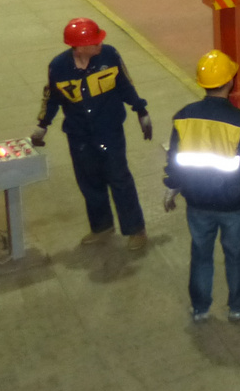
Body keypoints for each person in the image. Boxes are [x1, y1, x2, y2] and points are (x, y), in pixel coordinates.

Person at [163, 49, 240, 324]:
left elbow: (176, 158)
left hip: (197, 202)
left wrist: (172, 186)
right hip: (233, 205)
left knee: (201, 255)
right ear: (230, 82)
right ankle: (239, 307)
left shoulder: (183, 116)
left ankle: (200, 308)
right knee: (236, 256)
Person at [31, 17, 152, 250]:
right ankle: (101, 226)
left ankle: (136, 229)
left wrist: (140, 109)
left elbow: (125, 84)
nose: (100, 44)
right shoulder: (58, 67)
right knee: (89, 182)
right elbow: (52, 97)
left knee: (120, 179)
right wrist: (42, 124)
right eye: (95, 42)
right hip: (80, 136)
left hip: (110, 131)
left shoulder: (109, 56)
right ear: (79, 46)